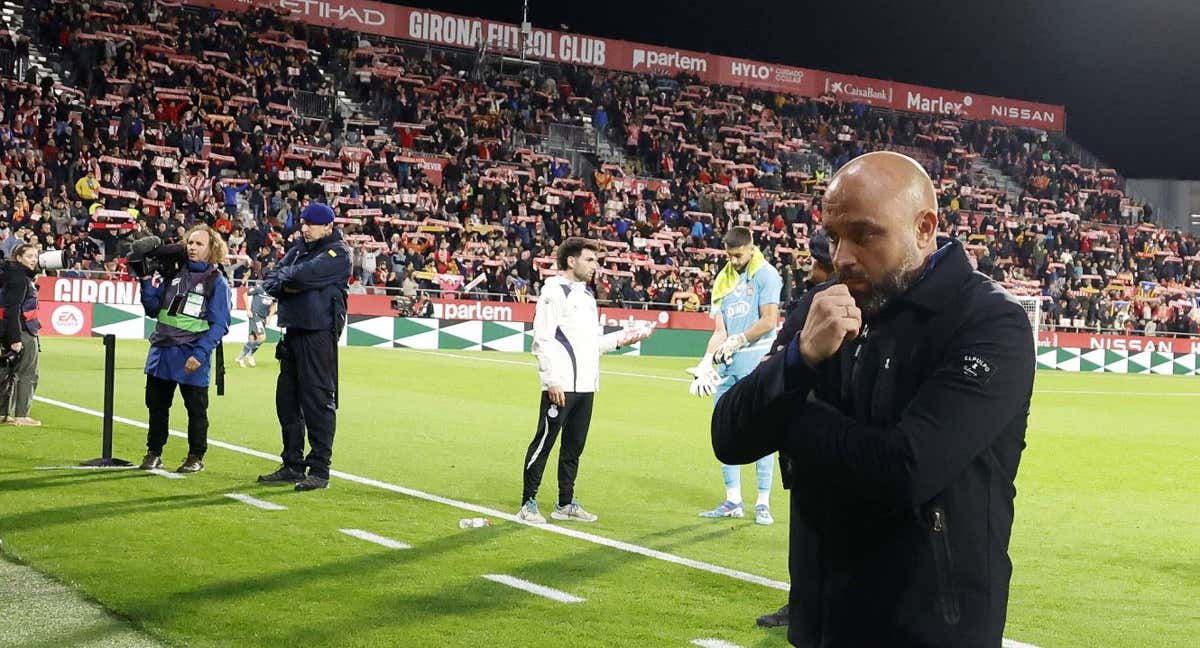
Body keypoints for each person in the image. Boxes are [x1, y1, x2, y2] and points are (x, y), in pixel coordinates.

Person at [712, 151, 1035, 646]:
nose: (841, 256)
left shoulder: (989, 323)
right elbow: (729, 436)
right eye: (833, 236)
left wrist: (790, 416)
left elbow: (904, 471)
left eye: (864, 235)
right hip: (822, 620)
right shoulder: (822, 308)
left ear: (925, 228)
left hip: (931, 629)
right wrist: (798, 359)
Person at [517, 237, 653, 524]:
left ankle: (564, 504)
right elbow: (541, 339)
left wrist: (626, 337)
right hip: (561, 385)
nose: (596, 266)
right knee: (544, 443)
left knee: (573, 448)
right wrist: (551, 380)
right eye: (590, 260)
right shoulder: (554, 293)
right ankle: (528, 503)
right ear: (571, 261)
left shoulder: (587, 297)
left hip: (586, 387)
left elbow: (593, 345)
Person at [754, 228, 834, 628]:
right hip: (835, 431)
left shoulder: (817, 300)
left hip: (809, 430)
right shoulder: (854, 299)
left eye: (813, 261)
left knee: (808, 528)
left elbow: (780, 355)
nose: (808, 269)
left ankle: (803, 605)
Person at [686, 226, 782, 525]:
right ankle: (733, 500)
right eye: (729, 255)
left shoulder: (766, 275)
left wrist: (739, 340)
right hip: (727, 370)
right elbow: (720, 331)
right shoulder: (723, 279)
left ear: (751, 248)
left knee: (762, 434)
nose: (734, 260)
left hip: (756, 368)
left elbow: (769, 321)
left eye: (738, 255)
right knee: (724, 432)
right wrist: (706, 362)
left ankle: (763, 503)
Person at [257, 202, 351, 492]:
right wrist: (294, 280)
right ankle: (292, 463)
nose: (304, 228)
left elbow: (301, 275)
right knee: (286, 401)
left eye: (310, 223)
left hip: (318, 333)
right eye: (303, 222)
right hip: (294, 330)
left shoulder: (338, 253)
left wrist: (293, 279)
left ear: (328, 226)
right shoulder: (299, 249)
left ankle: (320, 469)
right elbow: (271, 281)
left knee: (317, 401)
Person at [138, 225, 231, 473]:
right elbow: (152, 308)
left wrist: (200, 354)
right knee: (156, 406)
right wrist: (145, 280)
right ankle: (154, 452)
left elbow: (220, 324)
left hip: (191, 354)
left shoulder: (216, 282)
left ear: (212, 249)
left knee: (196, 410)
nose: (192, 247)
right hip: (162, 351)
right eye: (190, 243)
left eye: (199, 244)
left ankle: (195, 456)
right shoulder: (173, 274)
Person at [0, 243, 43, 426]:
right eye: (30, 256)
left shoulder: (12, 275)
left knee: (8, 372)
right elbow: (14, 309)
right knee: (27, 373)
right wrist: (16, 338)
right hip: (23, 330)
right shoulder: (21, 280)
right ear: (19, 258)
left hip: (11, 328)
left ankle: (3, 413)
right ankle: (22, 415)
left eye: (36, 255)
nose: (34, 259)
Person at [236, 281, 276, 367]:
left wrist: (269, 317)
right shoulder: (259, 288)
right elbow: (245, 294)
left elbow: (274, 305)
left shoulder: (274, 291)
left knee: (252, 339)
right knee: (262, 338)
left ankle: (242, 357)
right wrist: (248, 309)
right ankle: (247, 355)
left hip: (263, 317)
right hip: (255, 315)